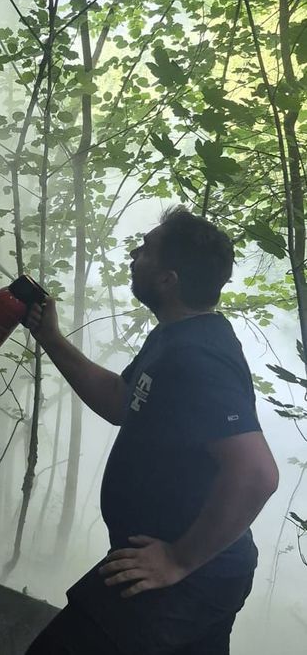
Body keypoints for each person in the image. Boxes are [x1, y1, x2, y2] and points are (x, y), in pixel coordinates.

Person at [23, 207, 279, 655]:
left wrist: (179, 560)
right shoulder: (174, 337)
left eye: (146, 250)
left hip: (182, 579)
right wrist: (50, 338)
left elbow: (257, 474)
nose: (133, 256)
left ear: (168, 279)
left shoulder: (200, 356)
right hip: (193, 571)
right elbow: (121, 401)